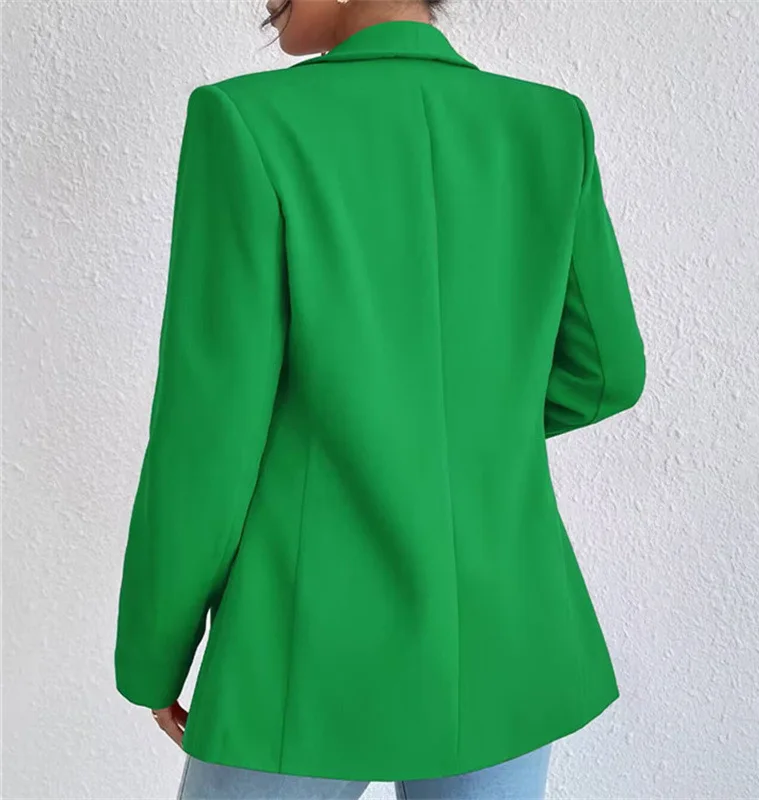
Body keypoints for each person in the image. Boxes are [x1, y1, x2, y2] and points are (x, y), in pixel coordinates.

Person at [113, 0, 647, 798]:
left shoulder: (248, 121)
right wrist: (463, 427)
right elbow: (607, 372)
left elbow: (207, 439)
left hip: (303, 640)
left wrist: (153, 655)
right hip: (507, 635)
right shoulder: (549, 125)